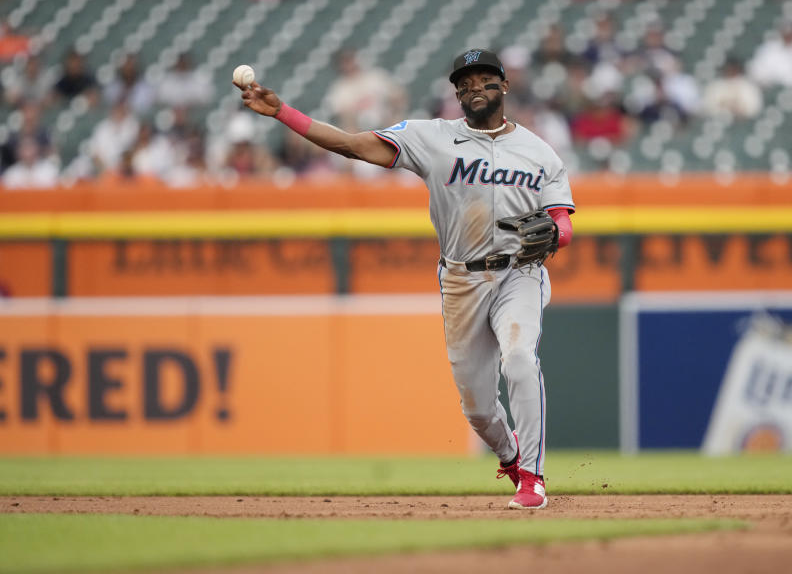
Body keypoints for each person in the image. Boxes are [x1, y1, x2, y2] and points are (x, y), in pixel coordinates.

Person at [237, 49, 575, 510]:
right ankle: (511, 455)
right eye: (465, 82)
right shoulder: (430, 137)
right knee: (477, 409)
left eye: (484, 78)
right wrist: (283, 113)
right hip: (460, 279)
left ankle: (533, 479)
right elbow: (353, 145)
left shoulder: (539, 151)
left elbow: (563, 219)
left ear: (504, 86)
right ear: (456, 93)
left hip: (520, 273)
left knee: (519, 359)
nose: (475, 87)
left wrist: (558, 232)